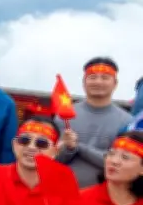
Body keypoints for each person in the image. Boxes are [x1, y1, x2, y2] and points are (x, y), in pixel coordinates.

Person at [56, 57, 132, 187]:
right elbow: (53, 159)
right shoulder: (63, 115)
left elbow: (122, 164)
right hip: (62, 189)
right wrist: (68, 148)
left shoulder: (126, 122)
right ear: (84, 82)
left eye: (105, 77)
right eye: (92, 77)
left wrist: (79, 147)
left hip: (106, 194)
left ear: (115, 83)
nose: (98, 82)